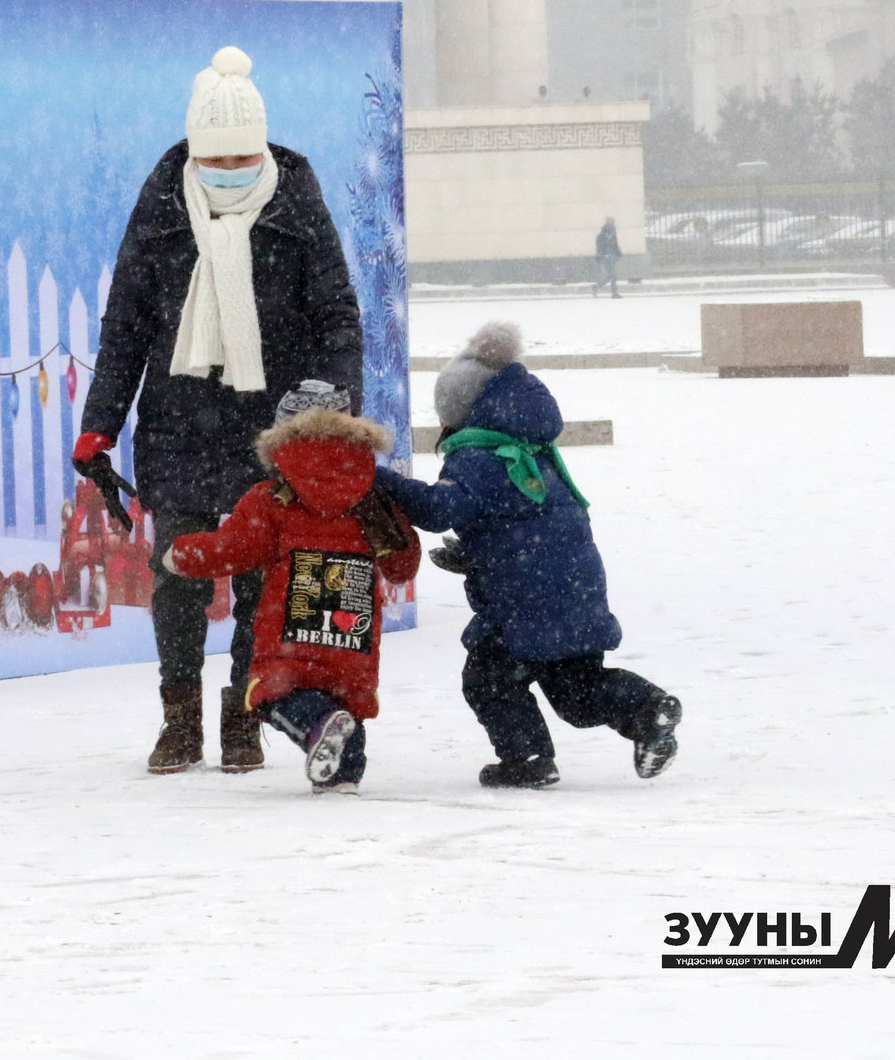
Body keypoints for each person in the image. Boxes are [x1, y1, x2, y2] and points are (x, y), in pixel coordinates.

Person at [74, 47, 367, 775]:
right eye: (217, 157)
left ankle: (246, 715)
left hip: (271, 430)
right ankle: (179, 716)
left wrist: (329, 406)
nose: (231, 168)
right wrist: (99, 422)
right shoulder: (163, 207)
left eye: (244, 155)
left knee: (262, 575)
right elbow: (128, 324)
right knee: (177, 569)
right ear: (195, 153)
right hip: (177, 424)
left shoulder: (297, 205)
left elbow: (337, 317)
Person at [374, 322, 681, 788]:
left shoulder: (477, 456)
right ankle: (647, 710)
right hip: (573, 587)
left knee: (489, 679)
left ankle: (528, 759)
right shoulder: (531, 450)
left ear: (462, 412)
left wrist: (386, 481)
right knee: (576, 691)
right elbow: (522, 524)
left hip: (523, 603)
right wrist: (475, 555)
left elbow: (440, 509)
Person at [163, 393, 421, 793]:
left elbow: (231, 549)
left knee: (273, 693)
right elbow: (402, 566)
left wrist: (180, 554)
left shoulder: (272, 498)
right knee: (346, 699)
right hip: (351, 626)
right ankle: (342, 775)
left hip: (290, 628)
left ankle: (318, 728)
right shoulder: (373, 499)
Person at [593, 217, 623, 298]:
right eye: (612, 223)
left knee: (610, 276)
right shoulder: (602, 235)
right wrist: (601, 255)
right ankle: (614, 293)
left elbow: (615, 246)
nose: (613, 224)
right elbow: (600, 247)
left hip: (611, 257)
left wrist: (617, 253)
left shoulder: (613, 234)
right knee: (613, 276)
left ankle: (596, 287)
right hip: (606, 257)